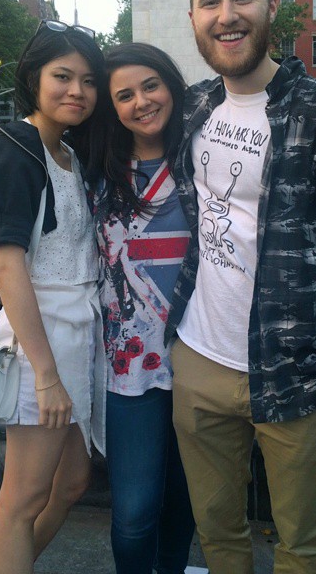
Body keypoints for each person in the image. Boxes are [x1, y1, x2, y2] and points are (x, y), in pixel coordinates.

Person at [164, 0, 316, 574]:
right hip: (200, 359)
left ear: (270, 7)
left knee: (302, 545)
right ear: (193, 18)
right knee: (217, 532)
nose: (226, 14)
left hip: (296, 375)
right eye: (210, 1)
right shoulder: (196, 108)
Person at [0, 20, 108, 574]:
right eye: (62, 77)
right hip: (38, 343)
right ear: (32, 79)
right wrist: (45, 374)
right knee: (21, 500)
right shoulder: (14, 151)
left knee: (71, 482)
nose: (77, 91)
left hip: (75, 333)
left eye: (88, 80)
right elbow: (6, 264)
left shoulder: (65, 153)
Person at [89, 43, 196, 574]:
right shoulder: (96, 169)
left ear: (171, 85)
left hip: (202, 363)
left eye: (150, 85)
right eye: (124, 95)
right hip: (128, 372)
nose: (141, 102)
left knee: (184, 502)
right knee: (133, 513)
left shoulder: (204, 157)